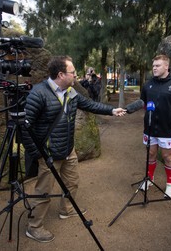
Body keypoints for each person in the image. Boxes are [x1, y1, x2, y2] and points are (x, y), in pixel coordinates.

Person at [22, 55, 126, 243]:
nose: (76, 75)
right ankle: (34, 227)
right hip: (49, 155)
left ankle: (66, 209)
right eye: (72, 72)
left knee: (72, 182)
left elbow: (90, 105)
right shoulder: (38, 94)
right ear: (61, 74)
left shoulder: (70, 92)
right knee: (43, 192)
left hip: (68, 150)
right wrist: (39, 154)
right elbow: (25, 128)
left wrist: (111, 110)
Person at [139, 54, 171, 198]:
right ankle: (149, 179)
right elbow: (144, 103)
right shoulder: (148, 85)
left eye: (158, 65)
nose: (154, 68)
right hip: (149, 128)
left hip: (167, 130)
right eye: (153, 65)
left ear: (166, 66)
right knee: (151, 154)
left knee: (167, 157)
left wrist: (170, 118)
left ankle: (169, 185)